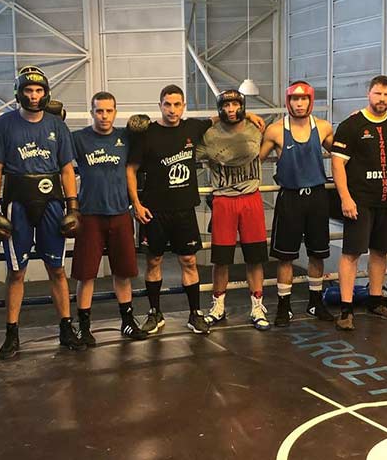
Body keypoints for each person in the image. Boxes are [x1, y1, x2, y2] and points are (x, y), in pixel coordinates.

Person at [126, 84, 264, 335]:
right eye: (167, 104)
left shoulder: (192, 128)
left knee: (189, 260)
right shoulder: (148, 133)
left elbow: (219, 117)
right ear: (160, 106)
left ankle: (194, 313)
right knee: (154, 261)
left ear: (184, 106)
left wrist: (249, 114)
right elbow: (131, 169)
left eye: (177, 105)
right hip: (154, 209)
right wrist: (136, 203)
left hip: (184, 208)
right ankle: (155, 313)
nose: (172, 110)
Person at [0, 65, 86, 359]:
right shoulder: (5, 124)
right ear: (19, 93)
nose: (33, 96)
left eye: (39, 90)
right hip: (17, 203)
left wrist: (73, 206)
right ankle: (11, 334)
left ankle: (66, 328)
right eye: (28, 90)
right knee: (17, 272)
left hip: (52, 202)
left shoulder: (57, 126)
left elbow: (66, 169)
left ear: (46, 93)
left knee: (57, 269)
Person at [331, 75, 387, 330]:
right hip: (360, 201)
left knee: (380, 252)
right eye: (378, 93)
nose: (382, 99)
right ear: (369, 93)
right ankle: (346, 310)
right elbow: (337, 163)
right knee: (351, 253)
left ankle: (376, 301)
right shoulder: (351, 125)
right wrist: (345, 198)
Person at [71, 91, 147, 344]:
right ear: (91, 112)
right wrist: (53, 119)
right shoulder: (78, 139)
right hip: (89, 215)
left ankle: (127, 322)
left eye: (108, 111)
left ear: (115, 112)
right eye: (99, 111)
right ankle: (84, 327)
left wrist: (143, 126)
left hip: (120, 213)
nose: (104, 116)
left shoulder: (125, 137)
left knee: (123, 273)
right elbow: (56, 153)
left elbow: (155, 139)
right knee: (86, 275)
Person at [259, 81, 335, 326]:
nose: (299, 104)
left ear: (310, 101)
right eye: (295, 99)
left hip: (317, 196)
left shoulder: (323, 127)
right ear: (288, 101)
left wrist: (356, 123)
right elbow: (254, 159)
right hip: (290, 197)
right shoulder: (275, 130)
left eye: (303, 99)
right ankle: (284, 307)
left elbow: (342, 153)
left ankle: (315, 303)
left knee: (317, 254)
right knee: (285, 256)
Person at [197, 90, 270, 331]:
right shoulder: (209, 135)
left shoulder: (257, 128)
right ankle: (218, 306)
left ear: (242, 106)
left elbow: (284, 132)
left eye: (235, 104)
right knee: (221, 259)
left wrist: (249, 116)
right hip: (223, 200)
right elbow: (184, 141)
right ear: (220, 108)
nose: (231, 109)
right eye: (226, 105)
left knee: (255, 257)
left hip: (251, 198)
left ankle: (257, 306)